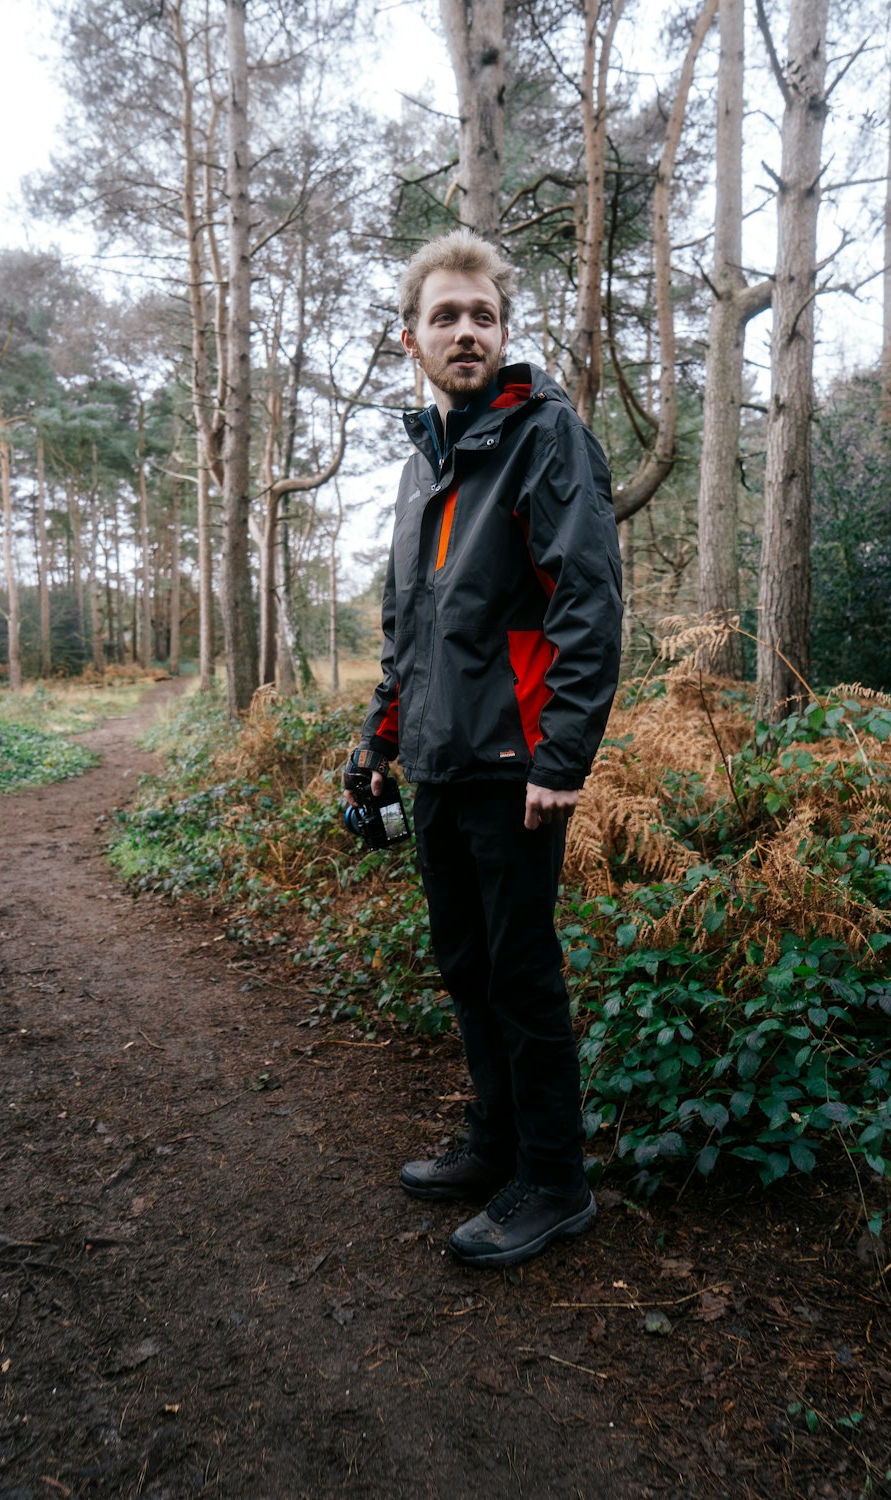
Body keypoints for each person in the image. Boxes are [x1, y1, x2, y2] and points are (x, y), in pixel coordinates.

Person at [345, 228, 622, 1268]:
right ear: (409, 338)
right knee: (466, 964)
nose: (466, 331)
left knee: (520, 971)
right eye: (445, 316)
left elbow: (586, 605)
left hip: (512, 767)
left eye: (483, 315)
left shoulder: (544, 435)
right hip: (436, 761)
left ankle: (553, 1180)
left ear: (503, 333)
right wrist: (377, 740)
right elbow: (409, 624)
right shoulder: (428, 463)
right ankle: (497, 1142)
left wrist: (561, 758)